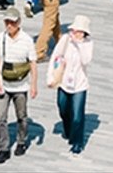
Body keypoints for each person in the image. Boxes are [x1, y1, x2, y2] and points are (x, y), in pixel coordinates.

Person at [0, 5, 38, 163]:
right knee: (1, 118)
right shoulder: (0, 38)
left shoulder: (27, 40)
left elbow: (33, 63)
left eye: (12, 22)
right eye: (7, 22)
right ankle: (3, 148)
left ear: (19, 23)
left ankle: (21, 141)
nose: (9, 26)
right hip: (4, 85)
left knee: (21, 116)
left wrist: (33, 85)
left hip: (21, 86)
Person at [46, 16, 93, 156]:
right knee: (63, 109)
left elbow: (86, 60)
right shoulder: (65, 40)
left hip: (80, 84)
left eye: (79, 31)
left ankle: (77, 142)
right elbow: (55, 57)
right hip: (64, 82)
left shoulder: (88, 43)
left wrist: (79, 44)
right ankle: (68, 129)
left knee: (78, 116)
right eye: (75, 30)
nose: (76, 33)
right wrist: (50, 76)